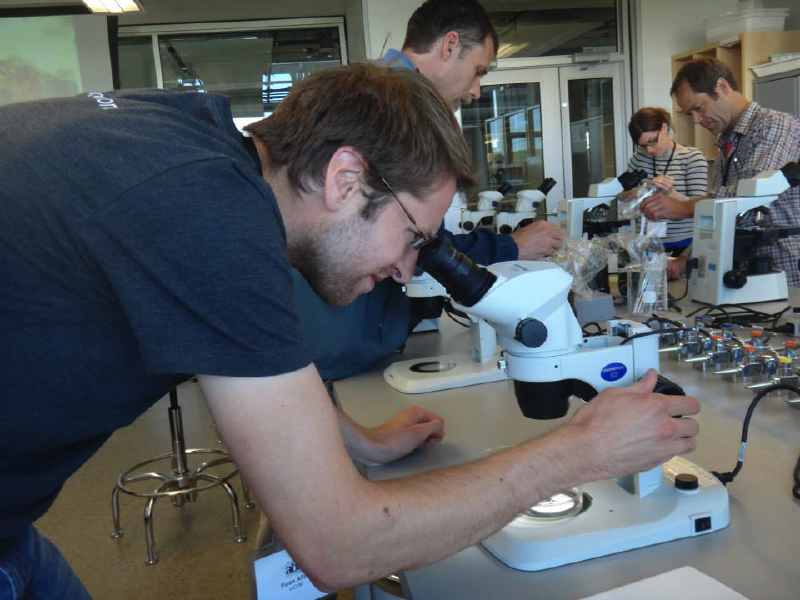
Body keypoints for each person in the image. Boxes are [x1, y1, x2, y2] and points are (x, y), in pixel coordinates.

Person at [0, 64, 699, 596]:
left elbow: (251, 369)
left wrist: (361, 442)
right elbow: (337, 545)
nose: (404, 271)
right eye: (411, 235)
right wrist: (578, 450)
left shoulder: (199, 151)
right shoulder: (207, 215)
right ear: (344, 178)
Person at [295, 0, 564, 381]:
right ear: (450, 45)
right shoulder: (391, 107)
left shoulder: (378, 93)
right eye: (477, 72)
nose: (476, 91)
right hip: (339, 348)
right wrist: (510, 247)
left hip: (346, 339)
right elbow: (420, 245)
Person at [640, 57, 800, 285]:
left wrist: (684, 208)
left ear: (722, 88)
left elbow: (750, 198)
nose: (696, 120)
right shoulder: (726, 142)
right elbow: (721, 220)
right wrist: (685, 260)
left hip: (783, 273)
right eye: (689, 114)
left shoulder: (775, 126)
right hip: (742, 273)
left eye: (698, 108)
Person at [626, 107, 707, 278]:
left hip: (684, 248)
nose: (649, 150)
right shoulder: (638, 159)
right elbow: (625, 196)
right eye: (643, 145)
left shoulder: (691, 157)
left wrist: (670, 193)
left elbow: (702, 209)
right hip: (649, 247)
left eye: (652, 141)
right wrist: (644, 188)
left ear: (664, 128)